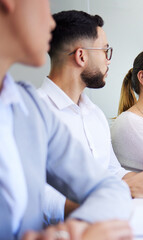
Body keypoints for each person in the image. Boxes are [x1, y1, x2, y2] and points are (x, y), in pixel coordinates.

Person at [38, 10, 143, 225]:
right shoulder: (33, 112)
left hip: (107, 221)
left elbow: (112, 171)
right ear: (82, 56)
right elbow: (32, 193)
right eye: (105, 51)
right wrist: (108, 200)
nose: (109, 61)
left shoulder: (94, 114)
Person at [0, 0, 131, 239]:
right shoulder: (40, 107)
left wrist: (78, 227)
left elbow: (109, 185)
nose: (50, 22)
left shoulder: (27, 107)